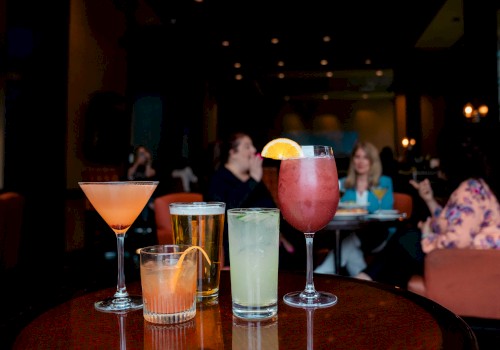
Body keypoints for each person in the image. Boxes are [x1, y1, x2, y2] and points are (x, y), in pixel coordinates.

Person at [355, 130, 500, 287]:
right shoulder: (476, 186)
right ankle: (375, 288)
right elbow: (451, 223)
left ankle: (366, 282)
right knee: (401, 255)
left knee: (407, 237)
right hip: (474, 258)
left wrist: (427, 234)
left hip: (471, 262)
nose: (436, 163)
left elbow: (457, 241)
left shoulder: (469, 190)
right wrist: (429, 199)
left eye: (440, 157)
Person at [205, 132, 299, 268]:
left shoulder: (253, 180)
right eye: (247, 147)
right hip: (241, 249)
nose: (254, 150)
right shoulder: (218, 180)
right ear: (233, 153)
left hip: (269, 245)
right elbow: (226, 213)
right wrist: (254, 179)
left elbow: (272, 210)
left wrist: (282, 237)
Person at [315, 141, 394, 276]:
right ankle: (366, 286)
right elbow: (338, 210)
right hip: (350, 235)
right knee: (350, 245)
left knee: (350, 240)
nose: (361, 161)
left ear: (372, 161)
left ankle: (319, 275)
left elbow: (385, 209)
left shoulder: (384, 182)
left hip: (378, 235)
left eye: (365, 157)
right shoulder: (344, 184)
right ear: (353, 160)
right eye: (357, 157)